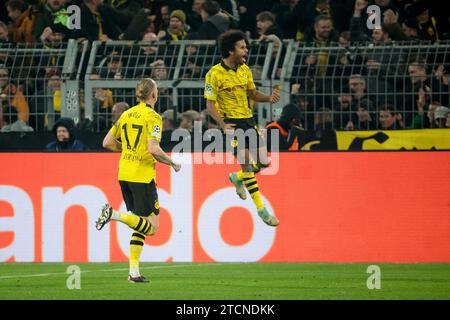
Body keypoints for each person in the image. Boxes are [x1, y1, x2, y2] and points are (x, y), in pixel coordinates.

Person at [96, 78, 181, 283]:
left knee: (140, 224)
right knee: (152, 227)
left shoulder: (126, 114)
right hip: (142, 176)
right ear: (153, 94)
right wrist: (172, 163)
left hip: (124, 172)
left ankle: (133, 273)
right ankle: (114, 215)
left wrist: (127, 150)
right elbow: (153, 148)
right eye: (157, 90)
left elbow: (107, 142)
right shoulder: (153, 116)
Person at [204, 30, 280, 227]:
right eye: (242, 47)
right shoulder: (214, 74)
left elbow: (253, 93)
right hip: (232, 123)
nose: (246, 50)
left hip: (248, 122)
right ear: (231, 51)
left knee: (264, 163)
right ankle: (262, 210)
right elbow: (210, 106)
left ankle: (237, 178)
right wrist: (223, 125)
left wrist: (268, 98)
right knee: (246, 164)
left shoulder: (245, 70)